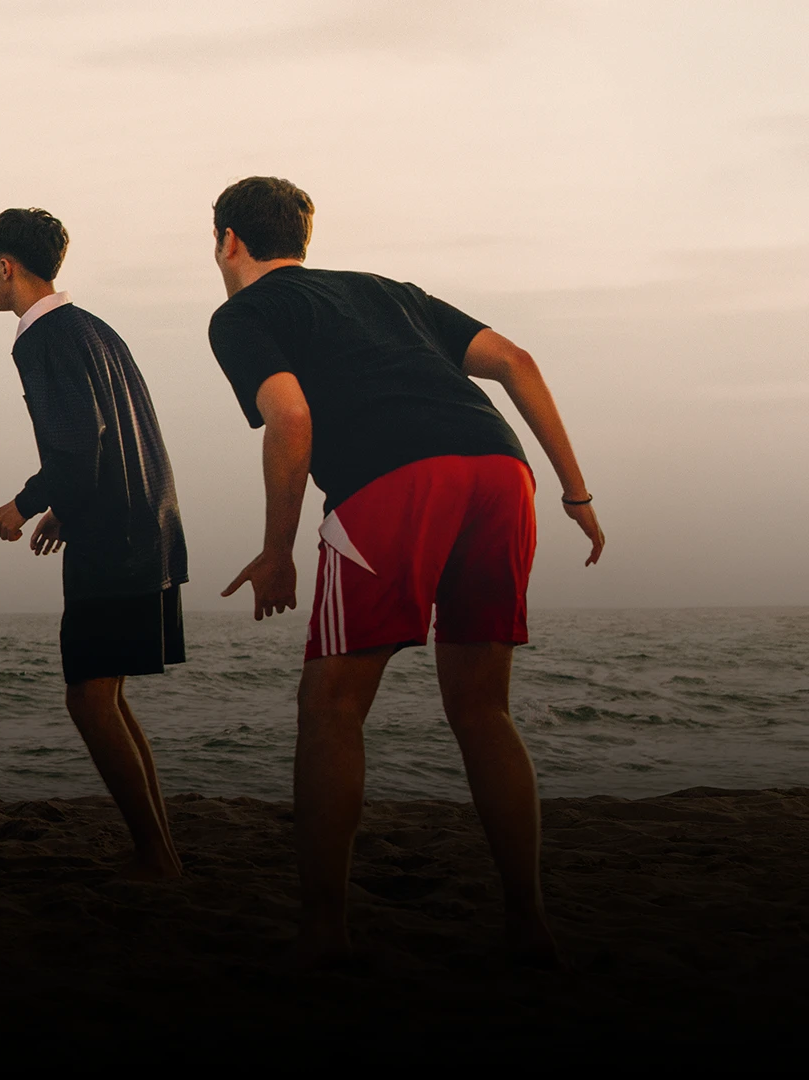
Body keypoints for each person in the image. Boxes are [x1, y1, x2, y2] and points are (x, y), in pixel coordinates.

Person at [205, 176, 605, 967]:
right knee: (484, 709)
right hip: (500, 473)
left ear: (227, 242)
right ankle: (528, 924)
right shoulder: (389, 293)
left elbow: (290, 416)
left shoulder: (244, 313)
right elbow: (517, 362)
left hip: (396, 485)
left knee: (331, 708)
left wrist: (278, 548)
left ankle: (324, 935)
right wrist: (575, 491)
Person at [0, 208, 191, 881]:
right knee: (109, 696)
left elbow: (75, 443)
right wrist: (67, 509)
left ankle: (155, 856)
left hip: (115, 540)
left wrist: (27, 503)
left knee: (90, 700)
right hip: (144, 526)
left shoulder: (39, 337)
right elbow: (112, 436)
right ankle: (160, 848)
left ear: (8, 265)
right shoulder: (97, 330)